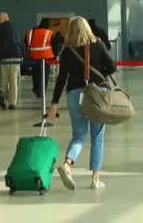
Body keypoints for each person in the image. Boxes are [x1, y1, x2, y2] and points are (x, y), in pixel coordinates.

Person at [48, 17, 117, 190]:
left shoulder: (67, 50)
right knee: (97, 138)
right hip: (96, 94)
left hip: (74, 94)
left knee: (79, 135)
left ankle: (67, 164)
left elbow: (61, 78)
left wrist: (54, 102)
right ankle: (95, 179)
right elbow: (112, 67)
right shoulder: (98, 44)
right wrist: (99, 71)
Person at [0, 12, 23, 110]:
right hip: (16, 57)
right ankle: (12, 103)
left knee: (4, 79)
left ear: (6, 18)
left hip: (4, 58)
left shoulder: (1, 29)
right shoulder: (15, 28)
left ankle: (3, 100)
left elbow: (0, 44)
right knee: (13, 79)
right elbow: (19, 42)